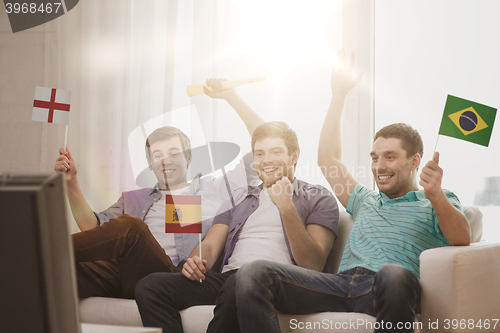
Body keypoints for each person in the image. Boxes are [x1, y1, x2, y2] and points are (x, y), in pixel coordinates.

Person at [230, 50, 471, 333]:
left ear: (415, 161)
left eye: (390, 157)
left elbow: (461, 237)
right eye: (374, 157)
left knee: (394, 274)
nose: (379, 166)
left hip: (386, 287)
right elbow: (328, 159)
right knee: (252, 273)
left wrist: (436, 195)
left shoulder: (435, 200)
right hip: (340, 285)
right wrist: (338, 96)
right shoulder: (365, 198)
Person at [54, 78, 264, 299]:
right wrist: (71, 182)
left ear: (189, 157)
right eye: (157, 155)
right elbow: (93, 230)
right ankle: (39, 258)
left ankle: (44, 247)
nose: (165, 161)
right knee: (58, 272)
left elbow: (265, 144)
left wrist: (232, 97)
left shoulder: (216, 188)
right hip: (126, 275)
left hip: (175, 278)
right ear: (150, 164)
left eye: (174, 153)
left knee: (132, 228)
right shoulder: (133, 199)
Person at [135, 121, 339, 333]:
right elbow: (211, 246)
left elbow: (312, 264)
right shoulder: (238, 198)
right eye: (259, 154)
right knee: (150, 286)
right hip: (231, 279)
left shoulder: (318, 196)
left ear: (294, 156)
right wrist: (195, 261)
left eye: (275, 151)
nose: (266, 160)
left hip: (283, 281)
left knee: (244, 279)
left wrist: (286, 207)